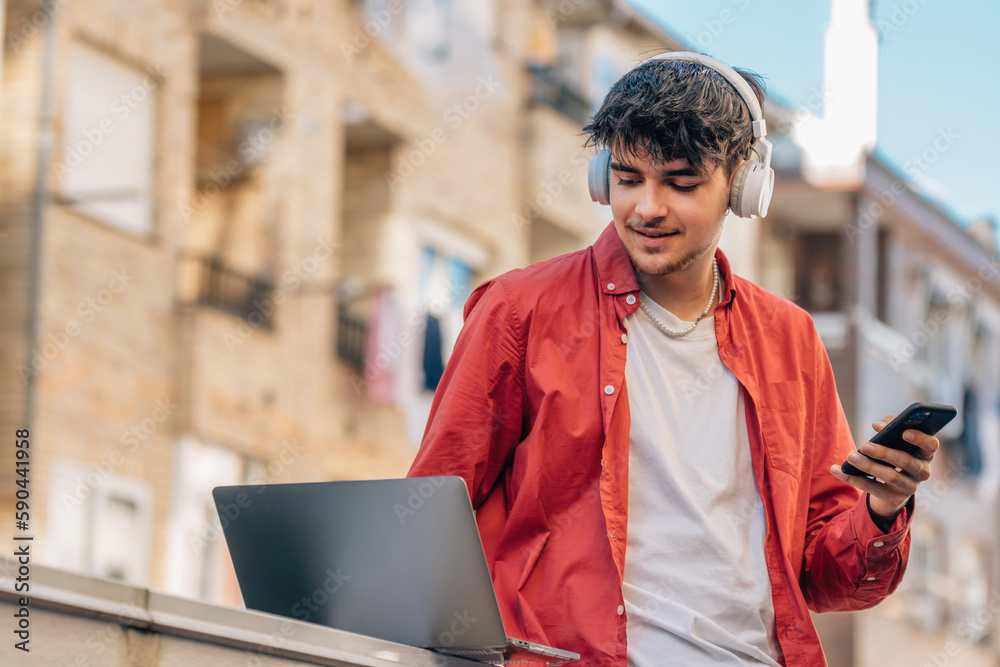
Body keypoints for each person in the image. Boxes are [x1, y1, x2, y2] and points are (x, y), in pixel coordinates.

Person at [406, 51, 937, 667]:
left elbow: (826, 581)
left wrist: (882, 507)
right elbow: (432, 514)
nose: (647, 207)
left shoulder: (790, 338)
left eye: (681, 183)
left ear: (743, 186)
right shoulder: (518, 311)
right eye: (628, 179)